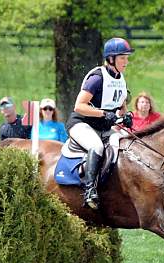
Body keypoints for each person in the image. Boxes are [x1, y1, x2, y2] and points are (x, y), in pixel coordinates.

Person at [65, 37, 134, 209]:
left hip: (103, 127)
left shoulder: (120, 79)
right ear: (111, 59)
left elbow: (121, 107)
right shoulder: (97, 78)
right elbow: (79, 106)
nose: (126, 62)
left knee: (128, 142)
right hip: (81, 124)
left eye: (127, 58)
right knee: (96, 147)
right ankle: (89, 190)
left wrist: (125, 116)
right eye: (122, 58)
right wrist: (103, 113)